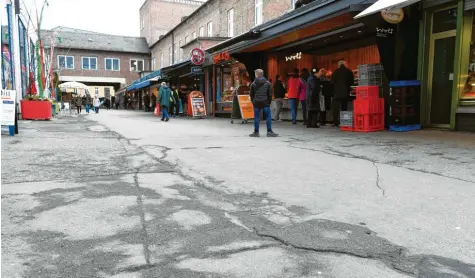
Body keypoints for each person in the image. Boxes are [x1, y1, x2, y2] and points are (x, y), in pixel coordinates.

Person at [249, 69, 278, 137]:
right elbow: (270, 94)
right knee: (268, 116)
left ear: (257, 75)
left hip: (256, 102)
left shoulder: (253, 84)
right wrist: (268, 102)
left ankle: (256, 132)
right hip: (265, 102)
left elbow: (251, 94)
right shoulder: (268, 83)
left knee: (256, 117)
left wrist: (253, 101)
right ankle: (269, 131)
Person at [331, 60, 354, 127]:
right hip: (345, 93)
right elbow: (351, 82)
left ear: (339, 65)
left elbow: (332, 82)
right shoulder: (349, 71)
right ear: (344, 64)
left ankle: (335, 123)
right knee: (344, 108)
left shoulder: (335, 72)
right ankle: (344, 122)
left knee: (335, 109)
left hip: (336, 93)